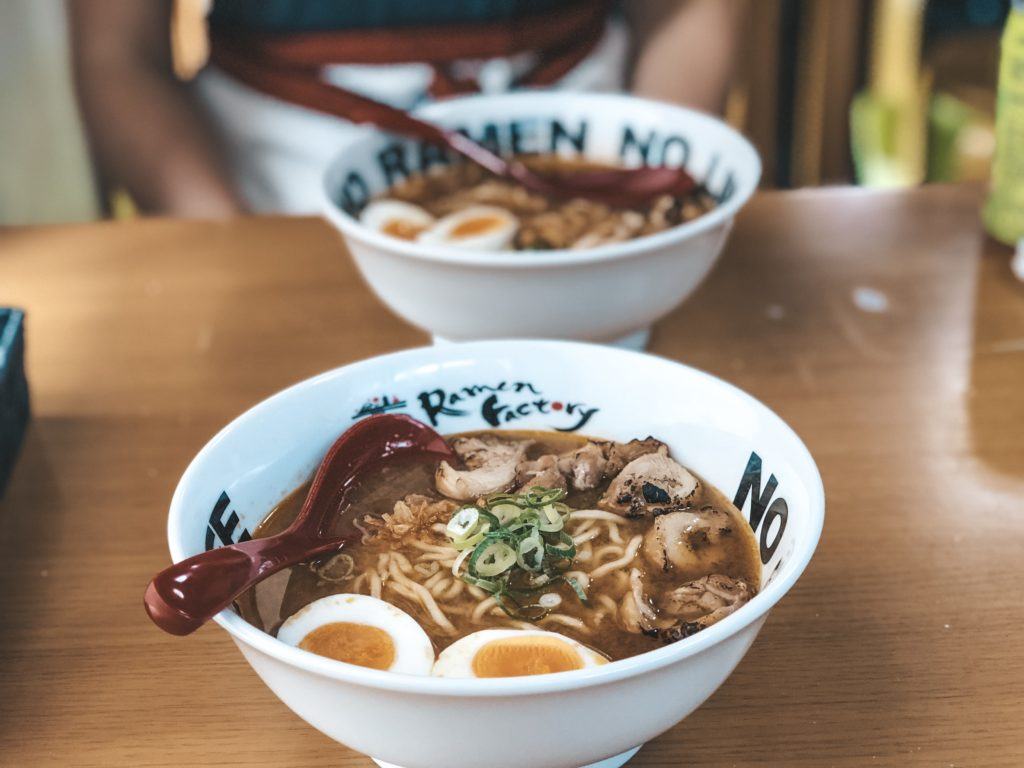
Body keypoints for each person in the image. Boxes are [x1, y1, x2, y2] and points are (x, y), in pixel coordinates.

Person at [69, 1, 744, 217]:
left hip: (591, 139)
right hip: (272, 180)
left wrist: (649, 205)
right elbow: (117, 51)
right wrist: (226, 241)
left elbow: (689, 9)